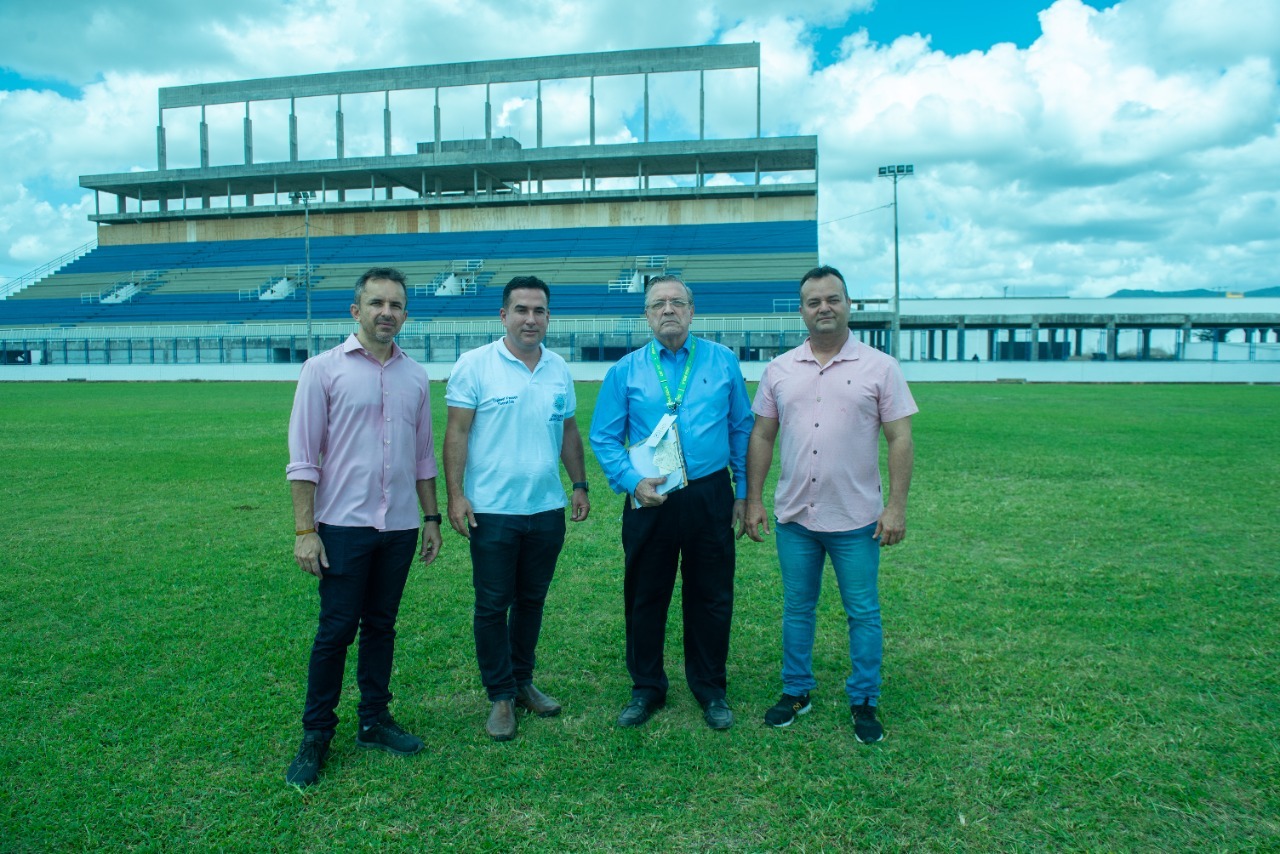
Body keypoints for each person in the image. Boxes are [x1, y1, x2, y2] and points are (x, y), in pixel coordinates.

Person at [284, 267, 443, 788]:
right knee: (335, 632)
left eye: (396, 305)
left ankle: (374, 720)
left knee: (381, 627)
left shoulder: (415, 376)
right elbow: (304, 458)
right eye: (376, 303)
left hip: (397, 527)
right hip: (343, 526)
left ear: (405, 313)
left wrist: (431, 517)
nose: (386, 313)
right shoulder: (322, 370)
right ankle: (316, 735)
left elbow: (422, 457)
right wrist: (305, 530)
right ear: (356, 310)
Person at [744, 265, 916, 744]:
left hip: (857, 518)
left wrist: (896, 507)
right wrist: (753, 499)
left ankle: (864, 698)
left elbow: (900, 436)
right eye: (814, 301)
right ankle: (796, 690)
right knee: (798, 608)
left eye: (833, 299)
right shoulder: (779, 369)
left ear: (848, 304)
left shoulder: (880, 367)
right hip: (796, 516)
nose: (824, 308)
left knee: (862, 612)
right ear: (801, 310)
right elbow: (762, 434)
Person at [589, 274, 752, 730]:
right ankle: (646, 688)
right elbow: (603, 436)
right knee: (645, 593)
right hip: (650, 495)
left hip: (709, 493)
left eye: (677, 302)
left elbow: (741, 428)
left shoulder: (722, 361)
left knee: (712, 594)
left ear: (692, 310)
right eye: (658, 303)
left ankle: (710, 688)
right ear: (646, 314)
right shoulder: (626, 369)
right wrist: (630, 481)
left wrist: (743, 492)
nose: (668, 310)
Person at [444, 276, 590, 741]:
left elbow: (568, 432)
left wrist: (580, 484)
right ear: (503, 315)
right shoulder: (475, 365)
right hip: (492, 509)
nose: (531, 319)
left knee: (531, 601)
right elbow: (457, 433)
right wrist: (455, 494)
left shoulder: (558, 368)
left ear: (549, 317)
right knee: (491, 605)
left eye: (540, 311)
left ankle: (523, 681)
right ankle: (500, 696)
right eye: (522, 310)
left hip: (546, 509)